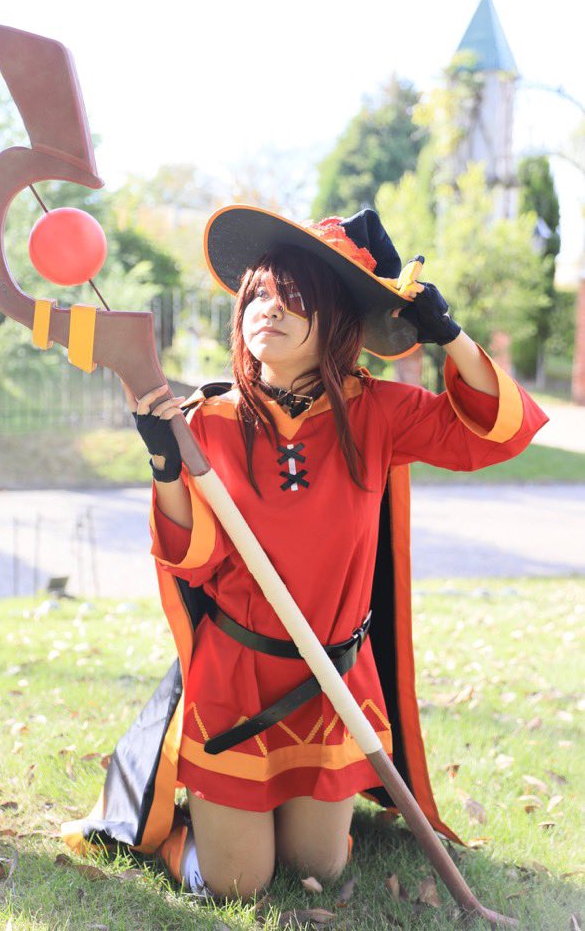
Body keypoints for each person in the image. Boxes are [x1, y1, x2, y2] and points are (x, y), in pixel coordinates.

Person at [68, 207, 548, 900]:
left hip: (333, 684)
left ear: (336, 320)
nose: (268, 308)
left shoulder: (377, 411)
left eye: (293, 297)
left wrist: (448, 333)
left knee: (318, 870)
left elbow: (496, 433)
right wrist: (166, 464)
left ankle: (269, 821)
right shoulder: (207, 421)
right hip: (238, 684)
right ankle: (184, 835)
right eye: (258, 294)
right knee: (239, 884)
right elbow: (190, 560)